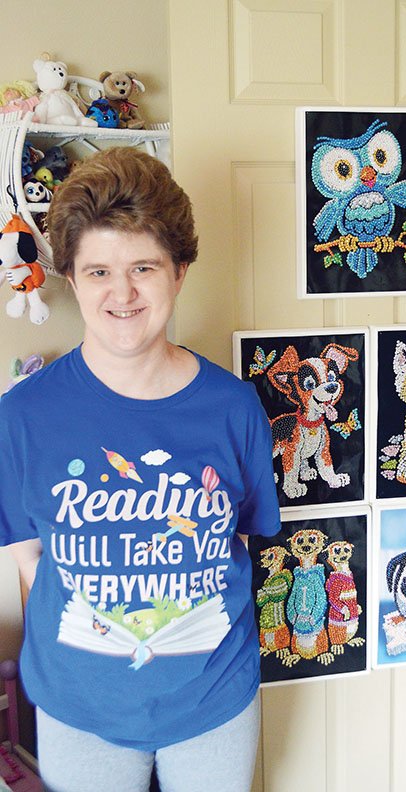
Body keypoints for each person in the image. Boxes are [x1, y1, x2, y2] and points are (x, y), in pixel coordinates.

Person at [0, 147, 281, 792]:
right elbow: (32, 570)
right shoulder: (21, 418)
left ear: (180, 272)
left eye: (144, 267)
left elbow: (236, 545)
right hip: (79, 712)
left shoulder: (233, 408)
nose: (121, 293)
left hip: (213, 700)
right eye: (98, 269)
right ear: (70, 277)